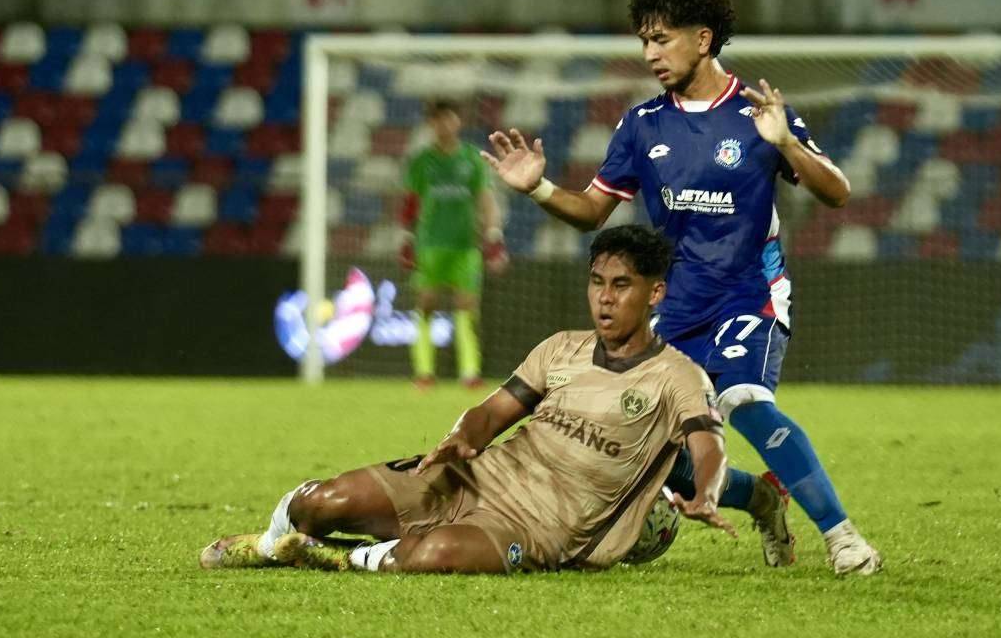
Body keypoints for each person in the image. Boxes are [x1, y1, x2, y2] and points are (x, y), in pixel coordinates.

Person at [481, 0, 882, 576]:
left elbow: (839, 192)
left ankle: (843, 537)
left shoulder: (757, 114)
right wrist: (536, 187)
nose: (650, 53)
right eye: (645, 41)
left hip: (749, 294)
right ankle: (764, 499)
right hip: (676, 306)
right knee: (651, 452)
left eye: (661, 39)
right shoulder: (643, 124)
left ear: (702, 38)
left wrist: (787, 144)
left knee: (744, 399)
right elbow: (591, 211)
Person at [200, 226, 769, 574]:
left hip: (542, 530)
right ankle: (273, 543)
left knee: (433, 556)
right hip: (475, 478)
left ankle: (334, 558)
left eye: (621, 286)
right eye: (597, 282)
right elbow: (494, 411)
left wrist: (707, 492)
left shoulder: (678, 376)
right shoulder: (561, 348)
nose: (604, 298)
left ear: (655, 293)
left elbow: (708, 447)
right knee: (324, 501)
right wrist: (463, 436)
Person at [400, 99, 508, 389]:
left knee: (467, 307)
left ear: (458, 121)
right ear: (431, 124)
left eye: (450, 118)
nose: (445, 125)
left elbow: (487, 201)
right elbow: (410, 204)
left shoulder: (472, 159)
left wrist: (493, 236)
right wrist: (407, 238)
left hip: (465, 246)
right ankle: (423, 372)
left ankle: (470, 373)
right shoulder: (421, 161)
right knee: (425, 304)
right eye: (439, 120)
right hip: (430, 244)